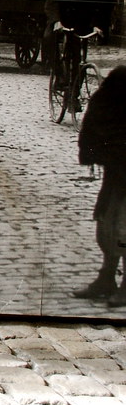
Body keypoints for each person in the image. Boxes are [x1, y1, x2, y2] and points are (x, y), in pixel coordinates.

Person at [73, 66, 126, 306]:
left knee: (123, 227)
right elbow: (99, 114)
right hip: (118, 170)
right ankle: (106, 278)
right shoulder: (120, 80)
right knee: (107, 222)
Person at [43, 0, 101, 101]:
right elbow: (52, 2)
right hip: (61, 22)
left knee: (79, 60)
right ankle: (59, 75)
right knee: (48, 39)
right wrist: (56, 21)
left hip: (80, 23)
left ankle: (74, 94)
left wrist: (95, 25)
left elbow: (94, 4)